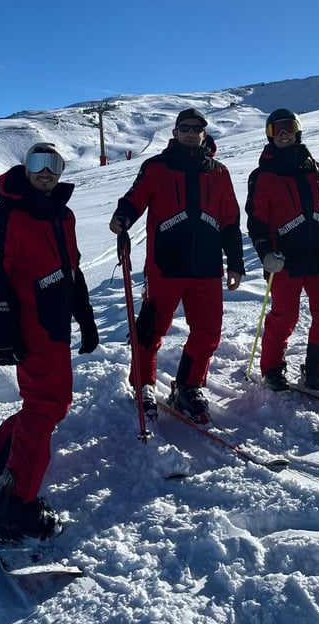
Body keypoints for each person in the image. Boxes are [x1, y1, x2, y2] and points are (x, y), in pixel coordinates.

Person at [0, 141, 99, 541]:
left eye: (53, 164)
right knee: (46, 408)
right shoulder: (7, 214)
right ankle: (16, 507)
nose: (46, 171)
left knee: (48, 405)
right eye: (38, 163)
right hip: (29, 327)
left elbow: (71, 269)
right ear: (25, 167)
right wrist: (3, 330)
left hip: (55, 324)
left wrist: (85, 316)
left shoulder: (64, 214)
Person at [109, 108, 244, 423]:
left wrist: (235, 262)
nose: (190, 133)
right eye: (184, 128)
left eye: (196, 128)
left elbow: (230, 220)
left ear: (203, 133)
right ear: (174, 132)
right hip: (165, 267)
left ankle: (188, 385)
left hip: (207, 269)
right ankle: (142, 384)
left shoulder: (219, 172)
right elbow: (135, 198)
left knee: (208, 332)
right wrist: (123, 217)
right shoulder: (156, 167)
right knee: (150, 330)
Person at [245, 109, 319, 396]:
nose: (283, 134)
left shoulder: (318, 170)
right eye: (276, 130)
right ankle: (272, 368)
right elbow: (256, 220)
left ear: (298, 130)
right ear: (269, 135)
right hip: (284, 259)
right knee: (285, 316)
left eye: (288, 128)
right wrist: (265, 253)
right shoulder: (263, 176)